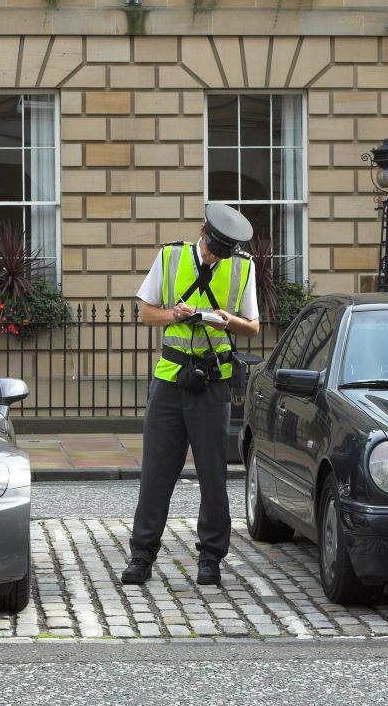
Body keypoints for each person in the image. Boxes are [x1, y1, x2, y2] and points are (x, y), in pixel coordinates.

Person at [122, 203, 259, 587]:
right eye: (213, 246)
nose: (216, 255)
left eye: (224, 251)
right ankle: (141, 555)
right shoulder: (169, 257)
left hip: (214, 382)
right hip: (169, 378)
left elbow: (253, 327)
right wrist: (175, 316)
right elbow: (146, 313)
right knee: (156, 471)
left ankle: (211, 558)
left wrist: (226, 320)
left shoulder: (242, 268)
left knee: (213, 474)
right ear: (203, 233)